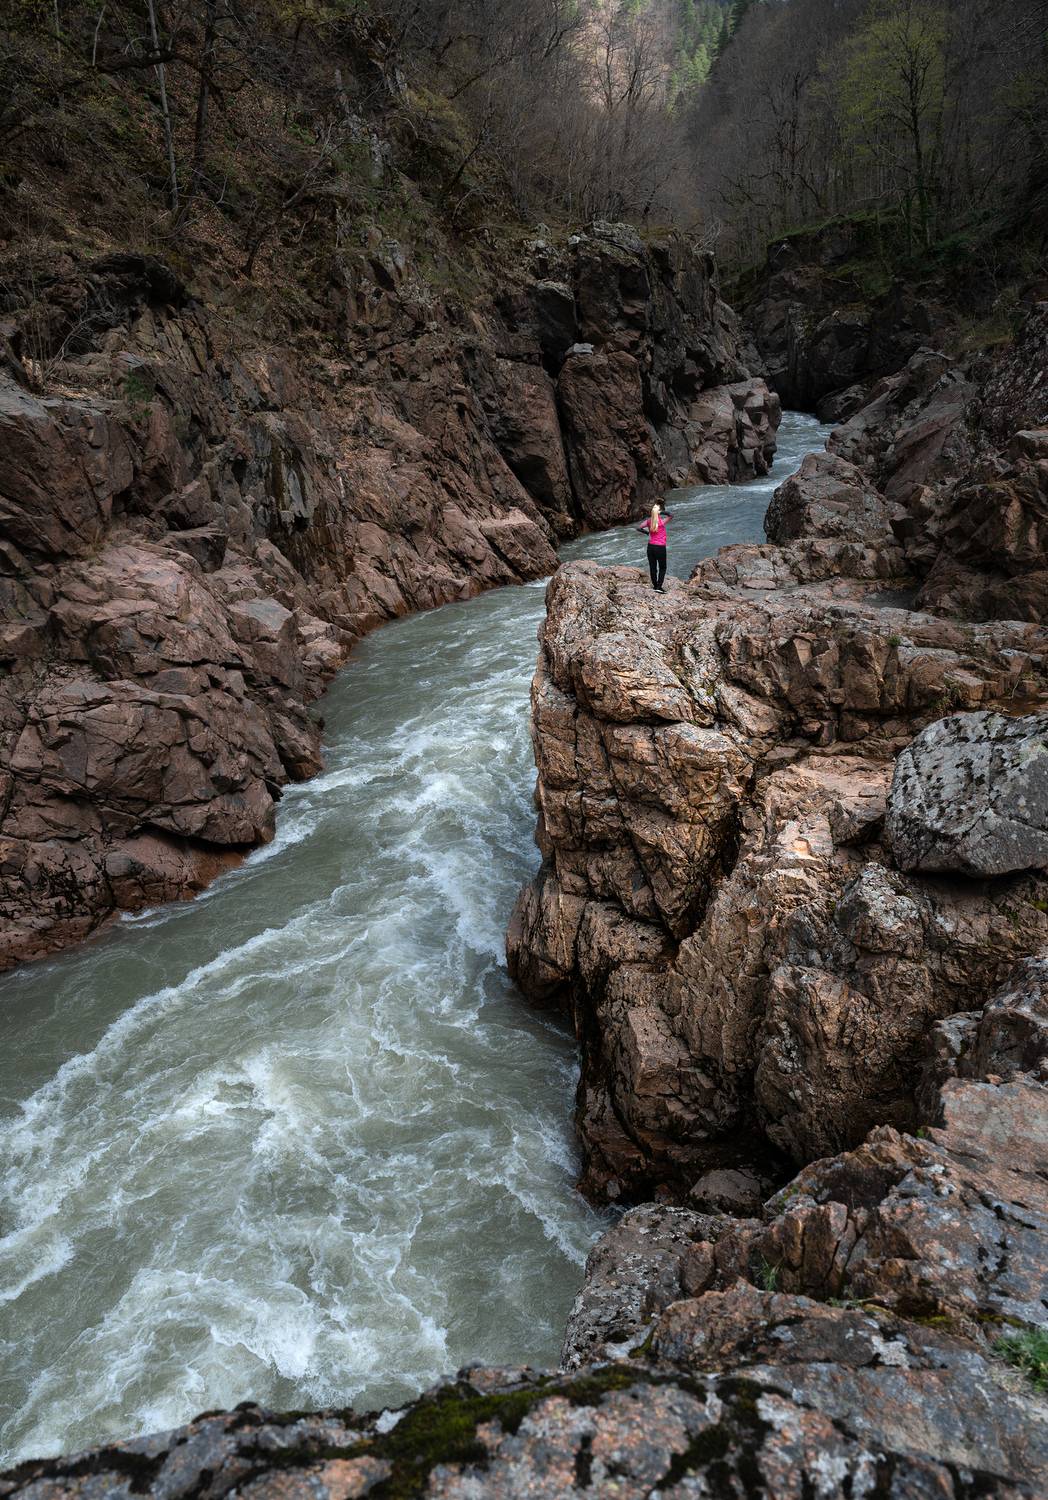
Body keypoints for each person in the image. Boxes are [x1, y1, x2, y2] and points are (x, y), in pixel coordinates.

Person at [638, 502, 672, 591]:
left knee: (653, 567)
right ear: (658, 512)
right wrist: (661, 512)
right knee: (662, 567)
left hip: (650, 547)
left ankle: (655, 585)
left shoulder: (648, 521)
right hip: (660, 548)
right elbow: (671, 515)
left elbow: (639, 527)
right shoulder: (661, 522)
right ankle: (659, 587)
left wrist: (646, 533)